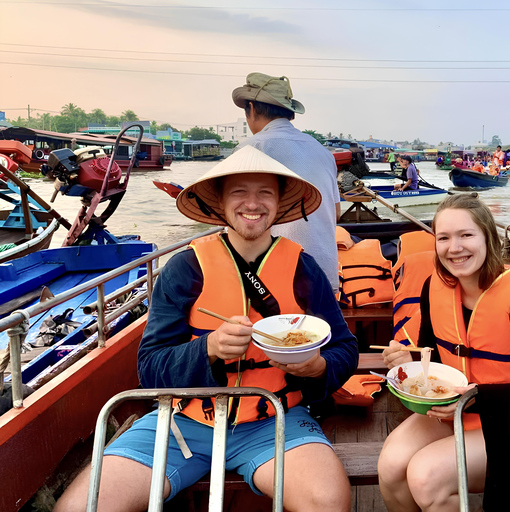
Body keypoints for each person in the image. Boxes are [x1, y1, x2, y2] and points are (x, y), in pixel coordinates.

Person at [54, 147, 358, 512]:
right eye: (239, 192)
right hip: (183, 421)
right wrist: (209, 348)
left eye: (265, 192)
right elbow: (149, 368)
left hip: (275, 418)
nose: (253, 203)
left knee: (328, 502)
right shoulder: (184, 268)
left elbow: (344, 348)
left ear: (279, 203)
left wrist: (318, 368)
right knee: (79, 507)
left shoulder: (303, 269)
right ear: (220, 202)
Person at [377, 194, 510, 511]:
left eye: (466, 235)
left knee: (425, 478)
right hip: (456, 409)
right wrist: (408, 358)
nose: (455, 248)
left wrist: (479, 400)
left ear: (488, 238)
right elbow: (433, 356)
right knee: (391, 466)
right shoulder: (432, 288)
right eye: (444, 238)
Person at [232, 72, 341, 294]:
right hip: (325, 277)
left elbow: (236, 222)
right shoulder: (324, 152)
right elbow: (336, 213)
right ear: (288, 112)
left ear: (251, 108)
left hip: (271, 283)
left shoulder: (252, 148)